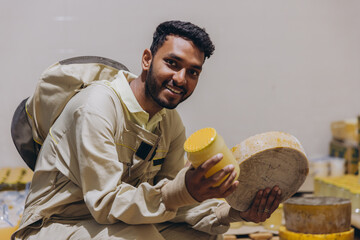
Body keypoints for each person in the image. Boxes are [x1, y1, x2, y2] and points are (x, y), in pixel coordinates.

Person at [12, 20, 281, 240]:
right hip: (53, 224)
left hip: (113, 221)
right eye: (172, 63)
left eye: (193, 72)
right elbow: (105, 204)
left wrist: (235, 212)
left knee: (203, 237)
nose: (180, 79)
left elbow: (172, 203)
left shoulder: (170, 124)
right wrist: (182, 190)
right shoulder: (96, 107)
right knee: (141, 238)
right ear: (146, 59)